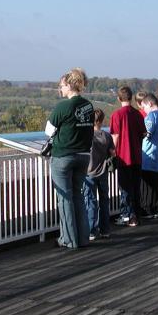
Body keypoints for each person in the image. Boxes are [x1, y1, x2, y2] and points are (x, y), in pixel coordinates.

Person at [46, 68, 95, 249]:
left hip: (64, 156)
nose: (60, 89)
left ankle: (69, 239)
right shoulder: (88, 105)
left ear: (68, 85)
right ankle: (83, 238)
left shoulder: (63, 106)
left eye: (61, 86)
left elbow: (48, 131)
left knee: (64, 198)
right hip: (84, 155)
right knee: (78, 196)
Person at [110, 86, 146, 226]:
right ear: (131, 98)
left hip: (123, 157)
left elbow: (115, 137)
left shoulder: (116, 115)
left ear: (119, 99)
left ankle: (127, 215)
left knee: (125, 188)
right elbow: (143, 134)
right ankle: (136, 214)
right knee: (136, 187)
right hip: (137, 155)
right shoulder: (137, 114)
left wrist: (112, 152)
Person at [83, 109, 115, 240]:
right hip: (102, 172)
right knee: (104, 201)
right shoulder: (106, 136)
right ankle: (105, 230)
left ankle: (91, 230)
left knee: (90, 201)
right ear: (102, 120)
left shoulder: (87, 136)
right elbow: (113, 152)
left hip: (88, 172)